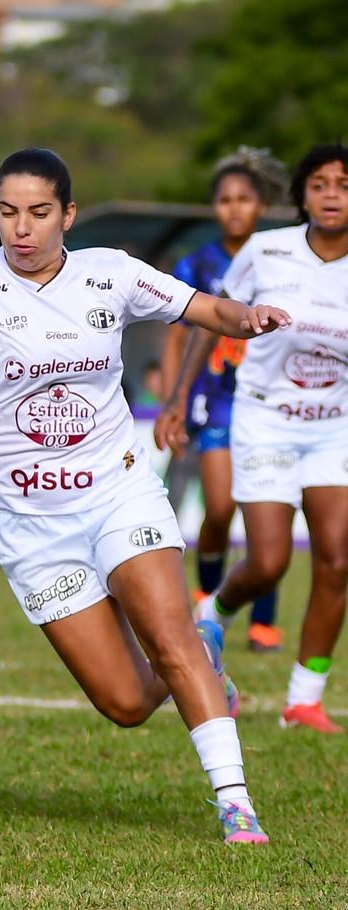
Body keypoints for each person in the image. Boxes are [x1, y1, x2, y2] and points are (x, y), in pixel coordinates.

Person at [0, 148, 290, 843]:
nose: (22, 227)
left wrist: (250, 316)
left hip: (118, 491)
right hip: (30, 524)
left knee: (168, 638)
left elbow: (205, 308)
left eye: (39, 212)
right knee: (125, 702)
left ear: (68, 215)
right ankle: (209, 661)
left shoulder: (109, 272)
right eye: (9, 211)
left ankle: (236, 803)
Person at [158, 143, 348, 734]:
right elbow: (210, 321)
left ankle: (304, 698)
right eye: (319, 183)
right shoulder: (267, 252)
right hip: (265, 418)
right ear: (301, 196)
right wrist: (177, 401)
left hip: (335, 426)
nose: (332, 194)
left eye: (343, 183)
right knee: (266, 563)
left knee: (337, 561)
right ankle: (214, 609)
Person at [158, 148, 288, 652]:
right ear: (214, 206)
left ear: (261, 205)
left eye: (244, 199)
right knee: (219, 508)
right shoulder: (198, 263)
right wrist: (176, 397)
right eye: (225, 200)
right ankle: (207, 598)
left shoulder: (279, 257)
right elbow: (176, 335)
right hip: (214, 402)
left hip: (269, 399)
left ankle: (264, 622)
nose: (234, 208)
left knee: (266, 513)